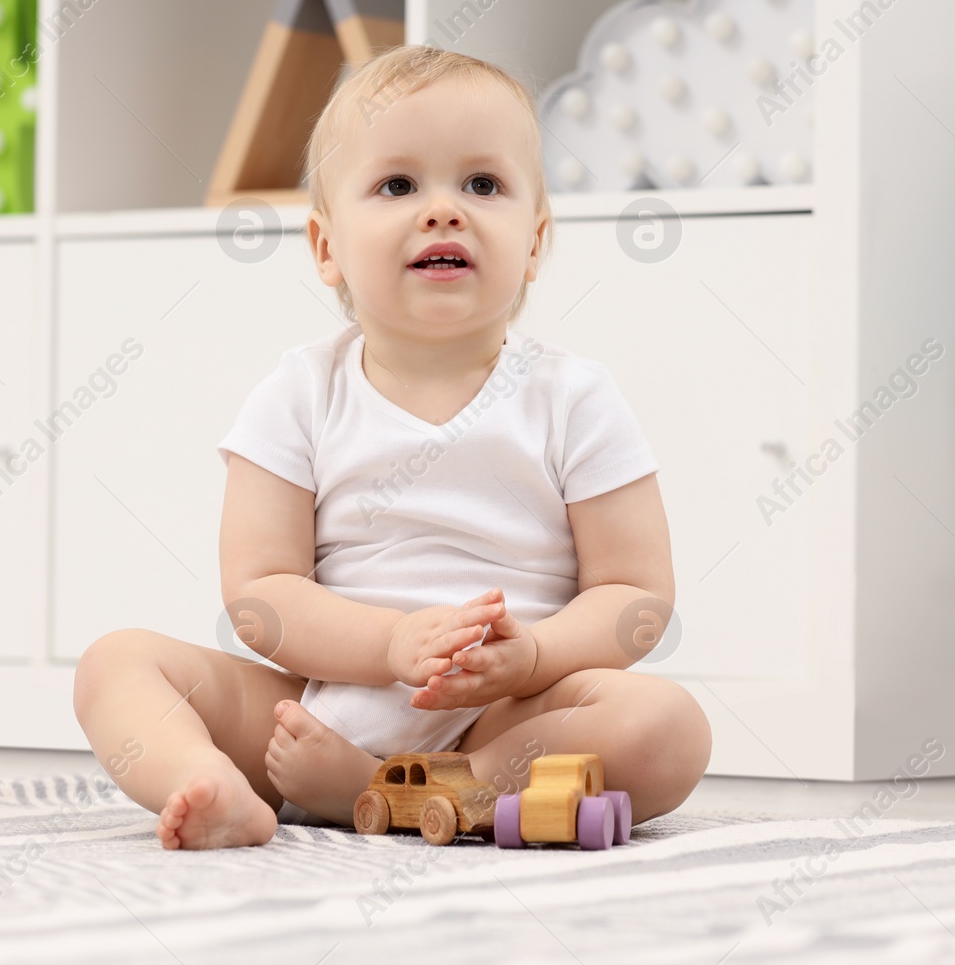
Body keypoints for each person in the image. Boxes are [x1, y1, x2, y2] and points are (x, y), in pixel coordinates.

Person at [73, 44, 711, 849]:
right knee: (115, 663)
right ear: (326, 245)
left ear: (537, 241)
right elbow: (261, 594)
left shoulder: (574, 397)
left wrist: (536, 655)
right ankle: (211, 785)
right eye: (398, 185)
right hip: (315, 714)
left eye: (483, 184)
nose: (444, 209)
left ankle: (396, 794)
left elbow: (638, 598)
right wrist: (386, 645)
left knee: (668, 722)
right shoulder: (298, 394)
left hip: (504, 724)